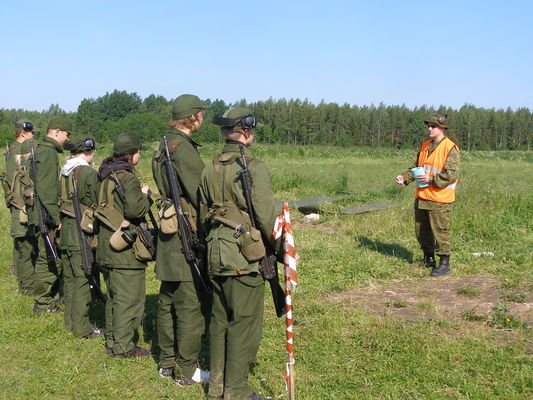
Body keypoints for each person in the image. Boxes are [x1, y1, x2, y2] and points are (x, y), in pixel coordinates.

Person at [199, 107, 283, 400]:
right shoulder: (253, 167)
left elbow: (201, 213)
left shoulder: (209, 166)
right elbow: (265, 216)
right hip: (243, 256)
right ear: (246, 132)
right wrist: (283, 250)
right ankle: (237, 390)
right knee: (245, 324)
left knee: (220, 320)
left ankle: (217, 387)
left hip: (215, 251)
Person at [151, 94, 210, 385]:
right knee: (189, 305)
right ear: (194, 116)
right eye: (201, 114)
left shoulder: (160, 146)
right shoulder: (183, 150)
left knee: (167, 300)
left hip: (167, 230)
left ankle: (165, 362)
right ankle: (186, 370)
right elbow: (202, 195)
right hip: (185, 231)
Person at [96, 131, 152, 358]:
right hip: (124, 249)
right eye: (139, 152)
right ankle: (123, 347)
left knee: (114, 297)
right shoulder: (127, 178)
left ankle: (112, 341)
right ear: (132, 154)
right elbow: (135, 210)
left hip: (105, 245)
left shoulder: (105, 176)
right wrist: (146, 196)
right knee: (130, 300)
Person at [395, 114, 460, 277]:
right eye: (428, 126)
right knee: (421, 231)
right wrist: (405, 178)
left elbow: (451, 175)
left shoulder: (450, 148)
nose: (429, 129)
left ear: (442, 128)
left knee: (440, 232)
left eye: (433, 126)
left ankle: (444, 264)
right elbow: (416, 168)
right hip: (422, 197)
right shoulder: (425, 145)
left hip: (440, 199)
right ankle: (428, 258)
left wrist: (430, 179)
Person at [59, 134, 104, 338]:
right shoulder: (86, 172)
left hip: (66, 228)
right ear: (88, 150)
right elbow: (95, 201)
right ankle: (81, 327)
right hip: (81, 229)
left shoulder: (65, 170)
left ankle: (70, 321)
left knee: (69, 277)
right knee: (82, 279)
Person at [28, 116, 72, 313]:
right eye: (66, 134)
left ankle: (52, 300)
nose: (67, 139)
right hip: (45, 216)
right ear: (56, 131)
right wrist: (56, 216)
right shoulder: (47, 153)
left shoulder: (42, 150)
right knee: (49, 258)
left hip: (41, 213)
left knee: (49, 257)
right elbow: (46, 189)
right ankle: (43, 303)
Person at [1, 120, 37, 295]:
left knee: (23, 246)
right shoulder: (19, 153)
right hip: (22, 204)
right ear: (23, 133)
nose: (34, 136)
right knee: (26, 247)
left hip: (19, 203)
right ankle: (28, 287)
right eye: (31, 133)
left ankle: (26, 281)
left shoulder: (14, 151)